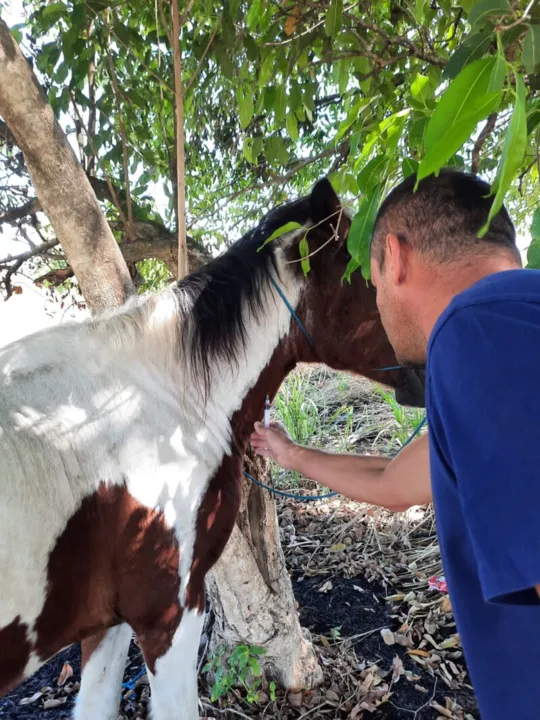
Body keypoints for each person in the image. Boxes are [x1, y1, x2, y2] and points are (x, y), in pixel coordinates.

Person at [251, 168, 540, 720]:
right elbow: (394, 484)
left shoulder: (474, 329)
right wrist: (289, 454)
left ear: (396, 256)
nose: (378, 303)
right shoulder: (509, 335)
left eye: (374, 282)